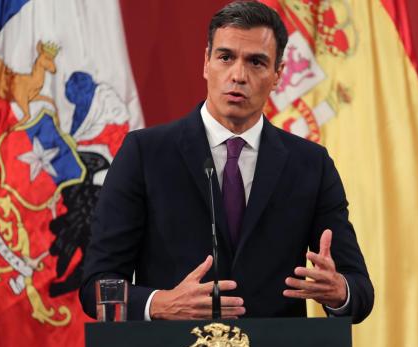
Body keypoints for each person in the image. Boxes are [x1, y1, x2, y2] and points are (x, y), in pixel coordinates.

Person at [80, 1, 374, 323]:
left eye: (256, 62)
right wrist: (159, 304)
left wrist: (339, 291)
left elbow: (360, 291)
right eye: (225, 57)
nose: (238, 75)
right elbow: (96, 285)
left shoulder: (311, 165)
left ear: (278, 75)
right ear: (206, 63)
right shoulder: (145, 154)